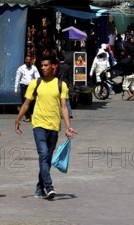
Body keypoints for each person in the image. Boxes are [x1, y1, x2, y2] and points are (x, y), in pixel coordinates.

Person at [15, 56, 77, 200]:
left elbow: (64, 107)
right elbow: (26, 103)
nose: (43, 68)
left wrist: (68, 126)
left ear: (53, 66)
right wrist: (18, 119)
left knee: (47, 159)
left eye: (46, 65)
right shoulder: (35, 83)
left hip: (54, 126)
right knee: (43, 155)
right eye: (41, 65)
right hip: (38, 125)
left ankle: (39, 188)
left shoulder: (61, 85)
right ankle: (49, 187)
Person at [14, 55, 40, 122]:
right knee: (25, 102)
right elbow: (17, 79)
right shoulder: (21, 68)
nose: (28, 62)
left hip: (32, 87)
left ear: (31, 61)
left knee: (33, 101)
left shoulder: (34, 68)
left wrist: (38, 86)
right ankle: (27, 117)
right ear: (25, 61)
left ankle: (34, 116)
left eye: (29, 61)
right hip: (24, 87)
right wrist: (15, 89)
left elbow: (38, 77)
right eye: (27, 61)